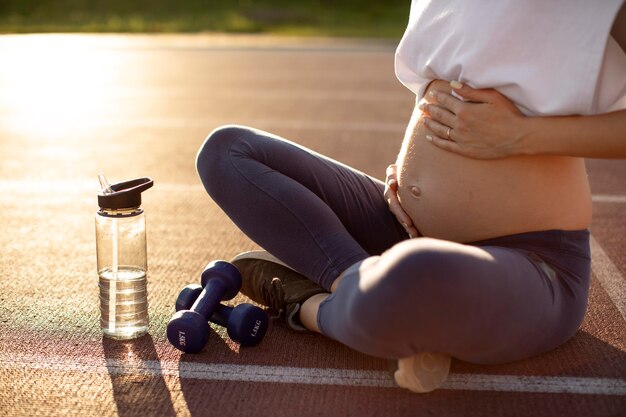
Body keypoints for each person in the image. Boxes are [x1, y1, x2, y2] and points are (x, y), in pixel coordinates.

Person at [195, 0, 626, 393]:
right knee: (226, 152)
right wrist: (413, 170)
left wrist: (520, 136)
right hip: (400, 223)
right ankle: (360, 288)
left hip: (529, 264)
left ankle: (310, 303)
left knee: (414, 272)